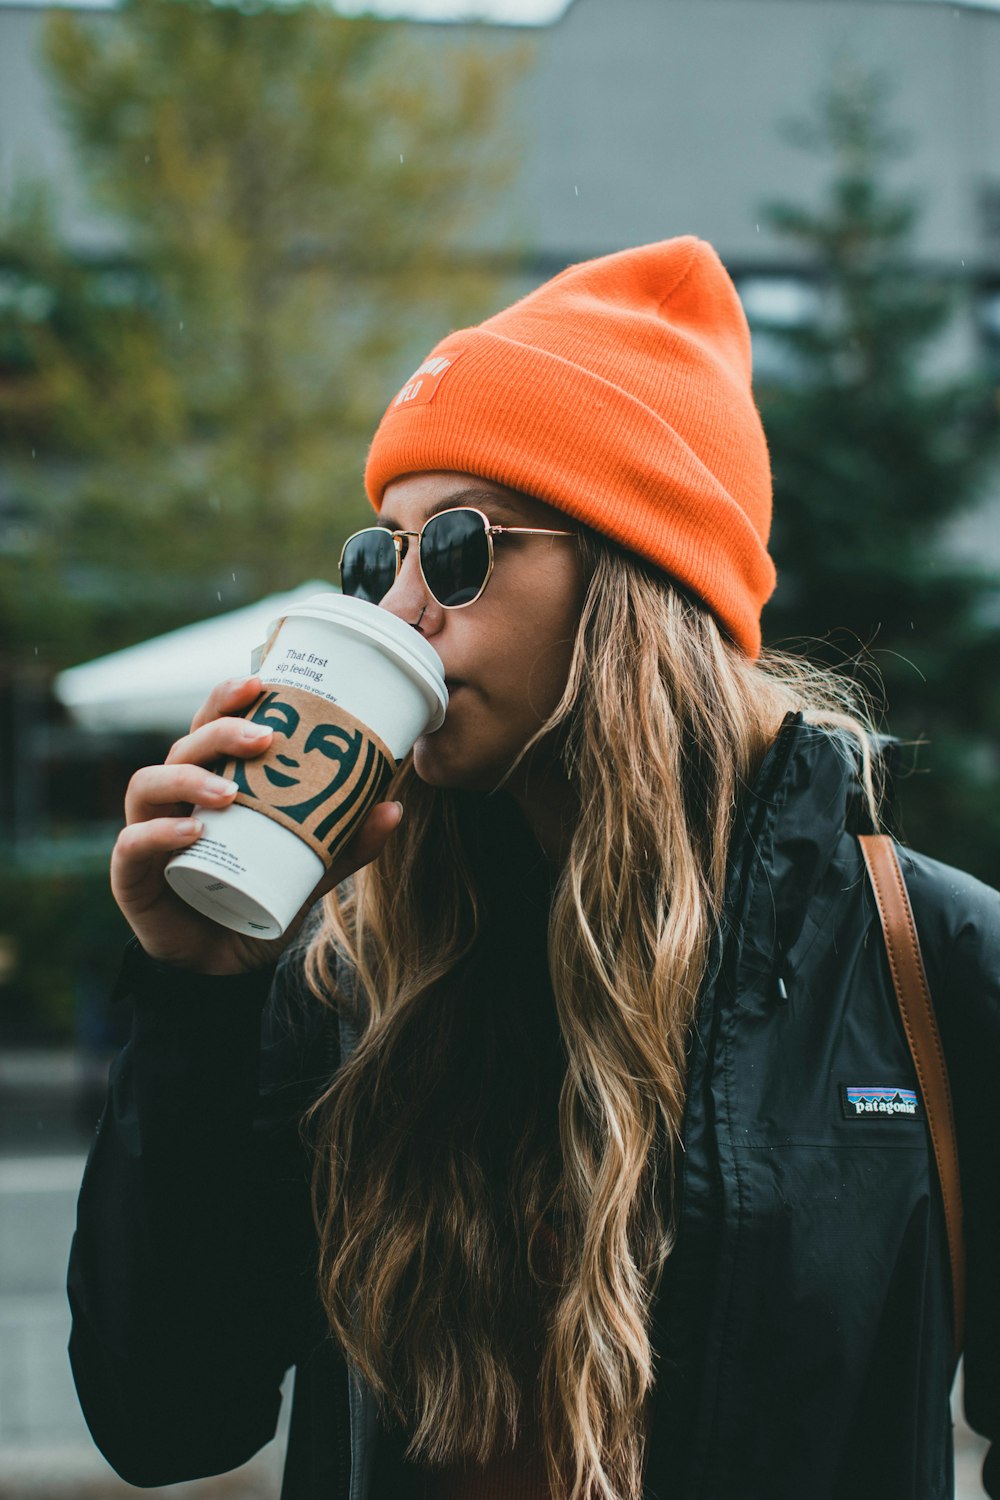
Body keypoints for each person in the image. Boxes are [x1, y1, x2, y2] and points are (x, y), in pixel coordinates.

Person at [67, 237, 1000, 1500]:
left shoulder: (928, 965)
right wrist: (199, 995)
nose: (397, 608)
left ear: (636, 575)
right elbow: (167, 1420)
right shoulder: (352, 971)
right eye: (375, 555)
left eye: (453, 547)